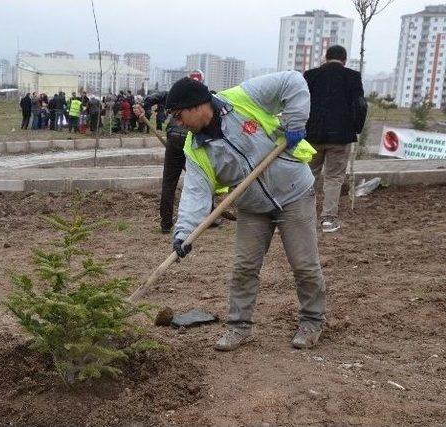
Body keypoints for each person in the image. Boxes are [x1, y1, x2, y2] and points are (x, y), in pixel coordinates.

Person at [165, 73, 326, 351]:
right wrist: (183, 233)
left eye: (179, 116)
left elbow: (293, 81)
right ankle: (239, 327)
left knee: (304, 264)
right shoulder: (195, 148)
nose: (177, 123)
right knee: (244, 267)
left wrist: (295, 121)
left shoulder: (243, 98)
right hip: (252, 207)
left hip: (294, 192)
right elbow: (195, 193)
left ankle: (312, 322)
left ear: (197, 106)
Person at [304, 45, 367, 233]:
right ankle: (328, 220)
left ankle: (304, 216)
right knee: (334, 177)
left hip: (312, 136)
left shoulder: (310, 75)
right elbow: (361, 105)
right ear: (345, 60)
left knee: (308, 176)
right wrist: (354, 129)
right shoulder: (353, 77)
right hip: (340, 137)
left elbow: (302, 102)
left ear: (326, 57)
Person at [138, 70, 206, 233]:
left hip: (174, 136)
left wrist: (143, 105)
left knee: (169, 181)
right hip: (191, 138)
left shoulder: (176, 94)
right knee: (201, 179)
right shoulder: (204, 97)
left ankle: (166, 223)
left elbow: (157, 96)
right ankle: (208, 217)